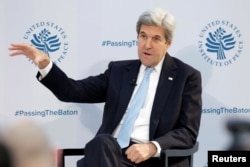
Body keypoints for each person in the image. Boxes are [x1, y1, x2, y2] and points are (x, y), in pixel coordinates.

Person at [8, 8, 202, 167]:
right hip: (109, 153)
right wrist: (45, 65)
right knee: (102, 143)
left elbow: (188, 132)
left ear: (168, 43)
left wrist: (152, 147)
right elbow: (72, 90)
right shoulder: (119, 71)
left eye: (156, 39)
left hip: (151, 160)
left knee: (98, 147)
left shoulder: (186, 77)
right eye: (143, 36)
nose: (147, 45)